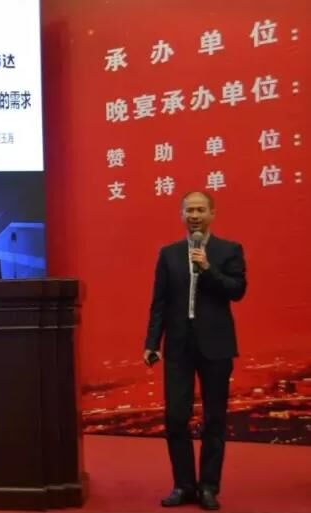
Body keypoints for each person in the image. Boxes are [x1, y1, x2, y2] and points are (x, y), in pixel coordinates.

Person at [143, 191, 247, 511]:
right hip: (178, 346)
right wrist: (151, 343)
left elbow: (237, 290)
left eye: (201, 210)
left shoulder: (229, 250)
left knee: (215, 419)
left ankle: (209, 487)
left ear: (212, 214)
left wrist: (208, 269)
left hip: (216, 345)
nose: (195, 215)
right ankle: (183, 485)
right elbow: (159, 303)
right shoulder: (169, 254)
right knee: (176, 417)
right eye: (190, 210)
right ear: (182, 215)